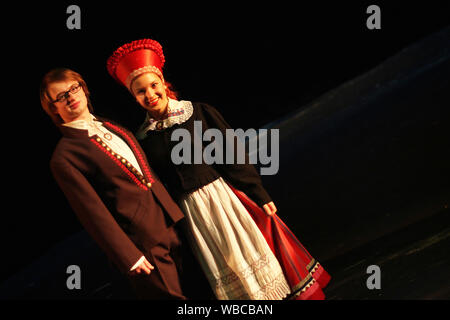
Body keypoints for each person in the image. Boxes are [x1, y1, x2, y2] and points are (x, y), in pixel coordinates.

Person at [106, 39, 331, 300]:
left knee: (246, 252)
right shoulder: (143, 137)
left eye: (153, 85)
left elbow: (230, 154)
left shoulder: (197, 113)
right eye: (141, 91)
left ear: (163, 83)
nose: (150, 94)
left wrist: (257, 192)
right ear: (134, 97)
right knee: (223, 265)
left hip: (222, 199)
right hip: (191, 213)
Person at [40, 68, 191, 300]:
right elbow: (92, 213)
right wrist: (128, 255)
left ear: (84, 90)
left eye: (73, 88)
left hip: (171, 222)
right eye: (61, 96)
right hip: (142, 243)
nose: (70, 97)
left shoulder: (109, 124)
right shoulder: (64, 157)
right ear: (53, 108)